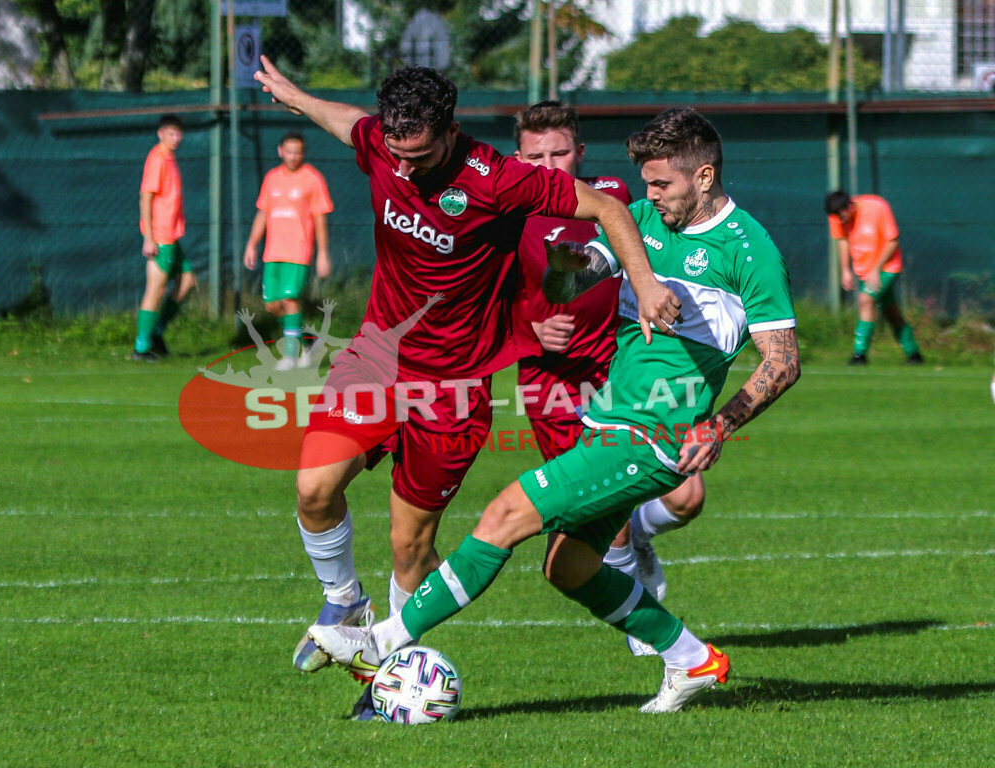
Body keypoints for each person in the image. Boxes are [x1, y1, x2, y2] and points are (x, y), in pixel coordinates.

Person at [307, 107, 801, 715]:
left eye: (662, 184)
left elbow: (782, 362)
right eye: (644, 183)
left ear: (703, 178)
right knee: (568, 567)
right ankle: (689, 658)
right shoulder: (643, 221)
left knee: (505, 513)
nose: (649, 195)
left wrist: (720, 423)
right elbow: (573, 276)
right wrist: (564, 262)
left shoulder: (749, 249)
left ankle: (379, 640)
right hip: (608, 420)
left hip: (656, 434)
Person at [252, 58, 681, 708]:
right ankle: (343, 604)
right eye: (396, 153)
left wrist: (645, 284)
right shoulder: (384, 143)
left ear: (449, 134)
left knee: (409, 547)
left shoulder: (500, 180)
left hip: (452, 386)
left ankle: (385, 675)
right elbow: (350, 125)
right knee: (312, 487)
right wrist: (293, 96)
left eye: (419, 156)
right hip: (377, 359)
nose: (405, 168)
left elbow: (607, 207)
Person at [511, 101, 704, 648]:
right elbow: (471, 294)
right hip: (552, 380)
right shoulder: (505, 212)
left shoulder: (612, 197)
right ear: (516, 157)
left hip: (621, 364)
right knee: (605, 504)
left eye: (560, 151)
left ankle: (639, 536)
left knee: (689, 495)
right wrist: (527, 330)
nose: (549, 164)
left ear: (581, 151)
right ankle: (642, 621)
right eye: (535, 155)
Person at [244, 131, 334, 372]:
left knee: (289, 300)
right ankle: (310, 341)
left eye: (298, 152)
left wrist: (323, 253)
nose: (294, 156)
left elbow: (320, 219)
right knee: (273, 305)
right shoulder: (272, 178)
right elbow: (263, 213)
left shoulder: (312, 179)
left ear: (303, 153)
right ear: (280, 151)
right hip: (273, 253)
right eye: (289, 151)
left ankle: (290, 356)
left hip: (298, 252)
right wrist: (252, 244)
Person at [825, 190, 922, 366]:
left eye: (842, 216)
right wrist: (845, 270)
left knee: (865, 299)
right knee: (890, 311)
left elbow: (893, 241)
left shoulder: (877, 207)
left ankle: (859, 355)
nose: (840, 221)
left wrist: (876, 269)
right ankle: (914, 354)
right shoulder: (836, 216)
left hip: (886, 267)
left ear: (850, 206)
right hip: (865, 271)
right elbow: (843, 239)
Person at [134, 114, 196, 361]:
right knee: (155, 291)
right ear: (161, 133)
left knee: (188, 281)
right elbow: (145, 197)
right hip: (160, 237)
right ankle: (141, 347)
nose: (176, 138)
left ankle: (156, 331)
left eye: (178, 133)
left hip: (172, 235)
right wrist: (149, 238)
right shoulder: (157, 158)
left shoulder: (170, 158)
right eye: (171, 133)